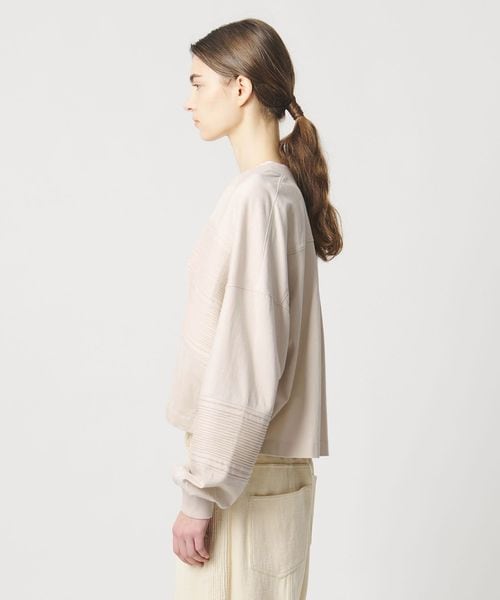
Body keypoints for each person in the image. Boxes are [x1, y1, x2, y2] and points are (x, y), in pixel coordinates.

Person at [166, 17, 343, 599]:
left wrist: (199, 495)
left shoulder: (256, 199)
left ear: (240, 88)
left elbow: (244, 364)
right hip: (264, 476)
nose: (188, 100)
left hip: (242, 477)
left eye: (198, 83)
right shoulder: (280, 192)